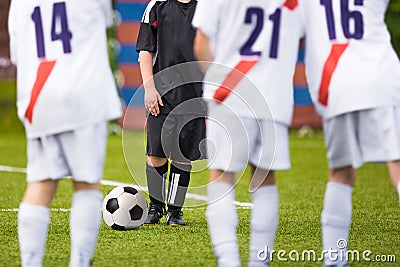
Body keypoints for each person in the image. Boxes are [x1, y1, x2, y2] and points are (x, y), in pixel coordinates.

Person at [8, 0, 122, 266]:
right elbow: (104, 22)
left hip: (40, 96)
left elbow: (18, 53)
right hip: (83, 92)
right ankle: (79, 262)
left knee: (40, 181)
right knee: (86, 183)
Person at [193, 0, 304, 266]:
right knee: (265, 179)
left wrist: (217, 79)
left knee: (221, 174)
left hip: (230, 94)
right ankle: (259, 261)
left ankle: (228, 259)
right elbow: (298, 38)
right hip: (274, 97)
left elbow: (200, 45)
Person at [299, 1, 400, 266]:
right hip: (379, 77)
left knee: (340, 174)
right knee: (398, 167)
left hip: (334, 84)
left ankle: (334, 260)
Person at [136, 0, 206, 226]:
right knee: (156, 152)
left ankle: (175, 211)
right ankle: (155, 207)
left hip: (194, 92)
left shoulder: (206, 6)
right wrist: (149, 87)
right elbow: (146, 50)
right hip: (161, 92)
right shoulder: (156, 6)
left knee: (182, 154)